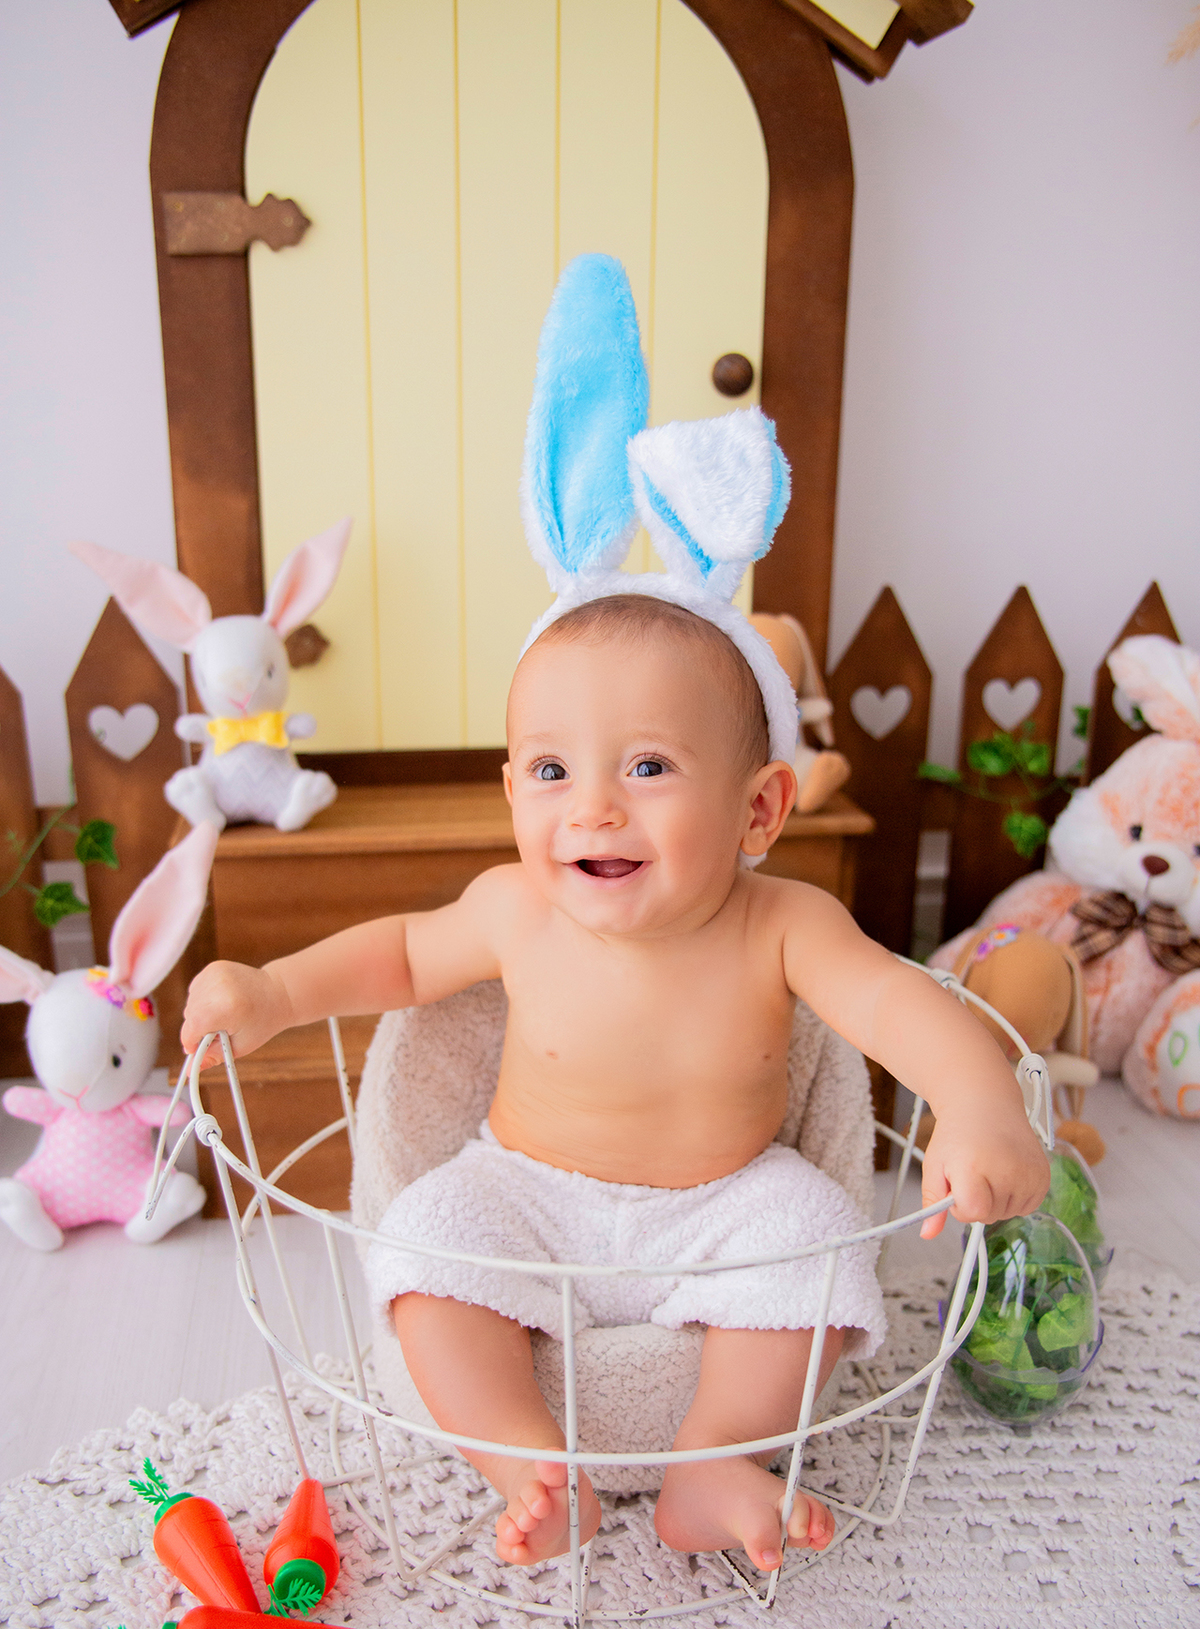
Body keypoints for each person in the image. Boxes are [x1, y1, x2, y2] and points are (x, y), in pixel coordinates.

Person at [182, 593, 1050, 1577]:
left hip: (725, 1204)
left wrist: (979, 1107)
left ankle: (715, 1460)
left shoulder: (785, 923)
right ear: (513, 792)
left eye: (647, 767)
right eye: (552, 771)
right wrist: (274, 992)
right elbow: (402, 955)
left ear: (759, 809)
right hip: (528, 1194)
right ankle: (530, 1463)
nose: (592, 808)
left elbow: (895, 1003)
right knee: (425, 1236)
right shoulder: (515, 908)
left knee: (817, 1231)